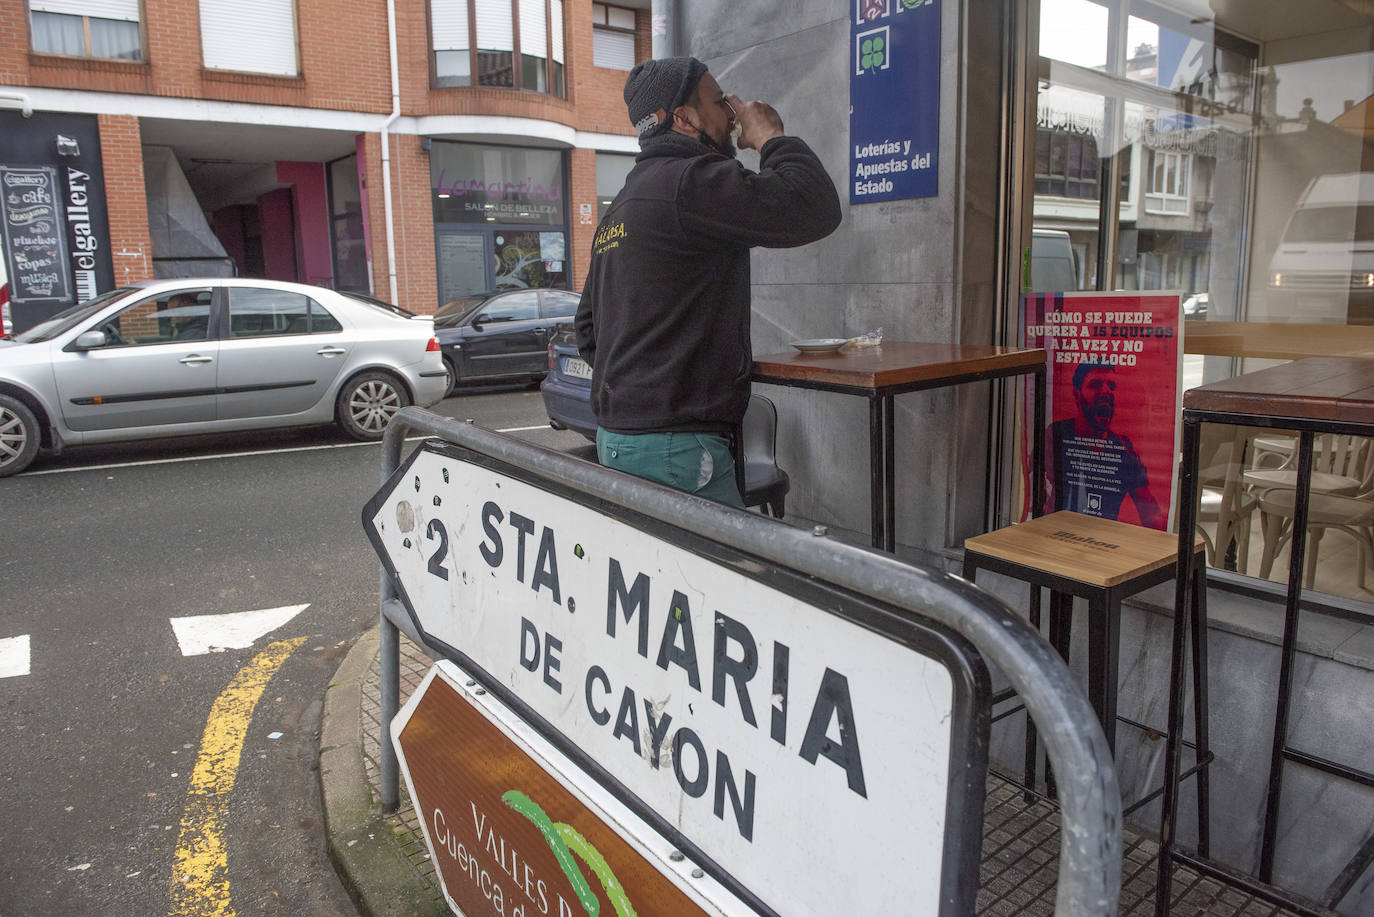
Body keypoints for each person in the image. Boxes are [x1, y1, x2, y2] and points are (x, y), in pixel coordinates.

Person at [575, 56, 842, 506]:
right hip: (676, 449)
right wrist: (770, 137)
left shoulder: (622, 205)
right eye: (719, 102)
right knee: (725, 573)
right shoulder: (691, 183)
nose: (733, 113)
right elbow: (813, 206)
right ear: (682, 118)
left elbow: (588, 330)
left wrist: (648, 381)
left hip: (620, 439)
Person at [1050, 360, 1166, 529]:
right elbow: (1030, 483)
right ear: (1077, 394)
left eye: (1111, 386)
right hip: (1055, 532)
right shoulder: (1057, 433)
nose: (1105, 391)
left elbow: (1150, 512)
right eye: (1095, 384)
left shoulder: (1123, 448)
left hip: (1104, 538)